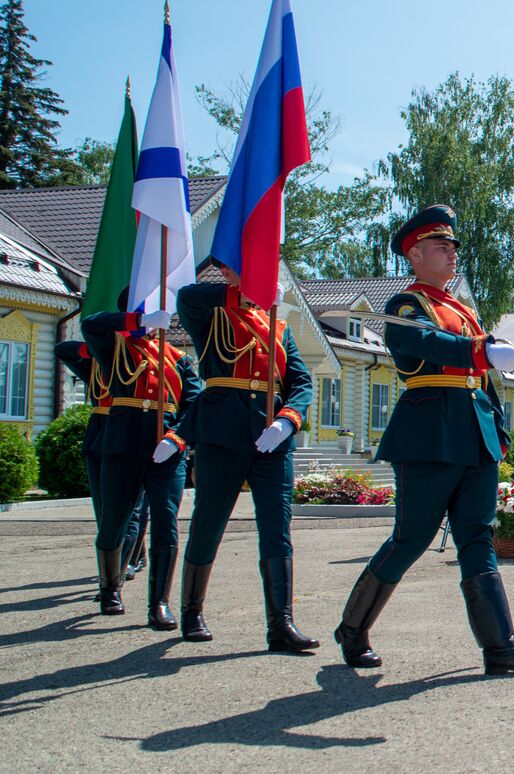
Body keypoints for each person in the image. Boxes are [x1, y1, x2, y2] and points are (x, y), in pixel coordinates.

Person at [334, 205, 514, 676]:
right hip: (429, 433)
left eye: (454, 247)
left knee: (478, 537)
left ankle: (500, 649)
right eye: (441, 247)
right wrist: (481, 350)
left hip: (473, 434)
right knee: (412, 538)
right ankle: (352, 629)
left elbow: (484, 380)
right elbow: (425, 345)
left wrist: (497, 428)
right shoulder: (406, 306)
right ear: (415, 254)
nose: (452, 254)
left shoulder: (464, 310)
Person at [173, 260, 317, 651]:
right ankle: (191, 611)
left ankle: (281, 625)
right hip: (223, 431)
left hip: (271, 436)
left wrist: (288, 419)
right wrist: (242, 292)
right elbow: (186, 296)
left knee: (276, 528)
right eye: (251, 270)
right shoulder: (211, 316)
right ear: (229, 276)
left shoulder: (278, 326)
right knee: (209, 520)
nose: (263, 279)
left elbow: (301, 381)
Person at [81, 294, 201, 628]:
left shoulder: (177, 358)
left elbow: (192, 404)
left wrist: (177, 438)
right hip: (123, 445)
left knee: (166, 521)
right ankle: (110, 588)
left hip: (165, 449)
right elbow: (89, 324)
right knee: (114, 522)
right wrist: (137, 324)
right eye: (143, 309)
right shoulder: (114, 348)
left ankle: (159, 603)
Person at [54, 340, 149, 592]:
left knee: (134, 511)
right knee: (105, 511)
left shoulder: (146, 358)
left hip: (132, 436)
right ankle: (132, 556)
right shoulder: (99, 363)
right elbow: (62, 350)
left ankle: (116, 574)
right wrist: (98, 347)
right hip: (100, 437)